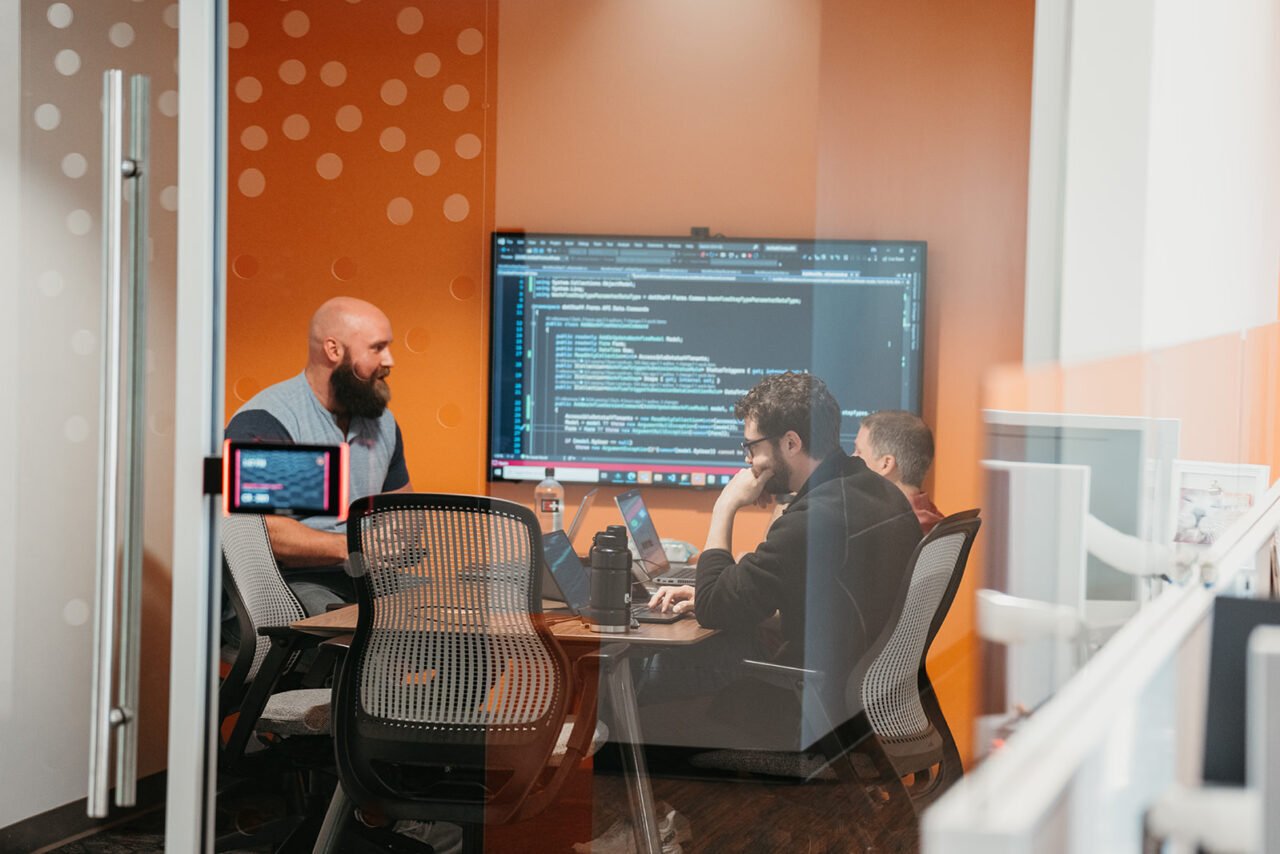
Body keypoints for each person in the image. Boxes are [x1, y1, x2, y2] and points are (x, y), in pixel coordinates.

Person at [646, 372, 922, 748]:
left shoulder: (814, 519)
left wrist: (725, 506)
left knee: (637, 700)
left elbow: (713, 608)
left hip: (808, 709)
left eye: (752, 447)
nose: (749, 461)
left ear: (791, 442)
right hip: (862, 703)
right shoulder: (875, 491)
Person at [225, 296, 413, 617]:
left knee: (457, 620)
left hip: (367, 576)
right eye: (377, 348)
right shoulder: (268, 421)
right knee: (360, 629)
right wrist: (352, 546)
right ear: (333, 350)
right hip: (289, 581)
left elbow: (401, 509)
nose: (390, 360)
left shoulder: (383, 423)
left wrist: (399, 535)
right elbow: (259, 531)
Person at [853, 409, 943, 534]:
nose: (852, 457)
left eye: (859, 451)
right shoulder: (940, 522)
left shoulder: (873, 530)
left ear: (886, 464)